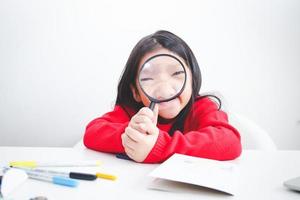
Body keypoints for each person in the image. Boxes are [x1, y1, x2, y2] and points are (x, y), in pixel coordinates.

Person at [83, 30, 242, 163]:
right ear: (136, 92)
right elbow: (92, 132)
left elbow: (229, 142)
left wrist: (158, 146)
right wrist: (135, 135)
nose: (165, 89)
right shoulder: (133, 114)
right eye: (148, 78)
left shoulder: (202, 107)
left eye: (177, 73)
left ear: (192, 80)